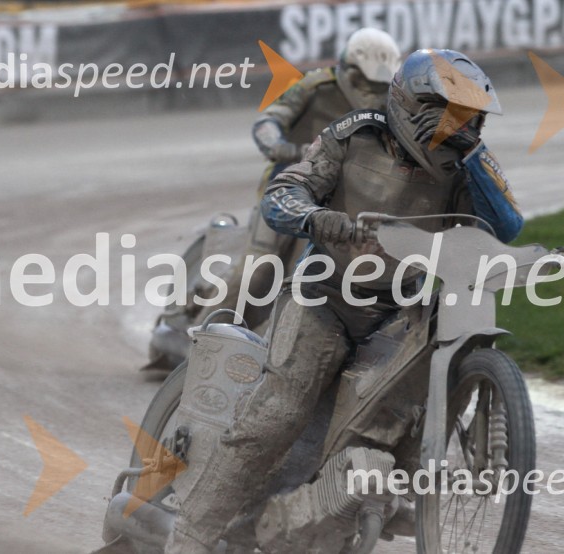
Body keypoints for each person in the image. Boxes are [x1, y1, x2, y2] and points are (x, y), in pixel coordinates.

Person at [165, 49, 523, 553]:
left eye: (471, 117)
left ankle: (350, 505)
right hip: (323, 297)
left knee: (391, 423)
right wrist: (315, 218)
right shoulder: (354, 133)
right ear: (411, 103)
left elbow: (505, 227)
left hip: (400, 314)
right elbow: (283, 194)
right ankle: (190, 537)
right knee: (277, 415)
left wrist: (473, 159)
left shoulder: (467, 165)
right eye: (452, 114)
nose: (462, 127)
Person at [148, 28, 401, 369]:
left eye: (380, 86)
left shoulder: (393, 104)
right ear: (348, 70)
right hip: (290, 192)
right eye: (367, 83)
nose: (372, 92)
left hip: (347, 203)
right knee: (259, 269)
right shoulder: (314, 88)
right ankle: (199, 344)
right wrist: (281, 146)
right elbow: (269, 120)